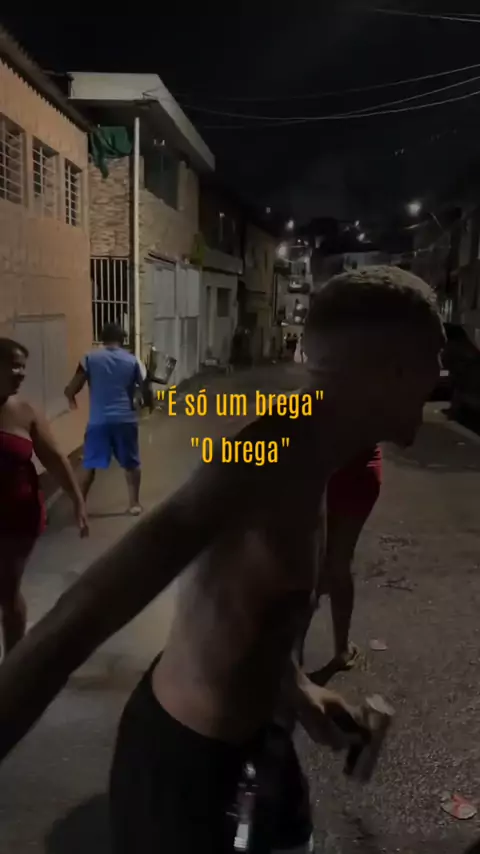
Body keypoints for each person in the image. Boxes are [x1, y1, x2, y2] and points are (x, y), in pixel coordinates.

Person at [0, 267, 444, 853]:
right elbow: (77, 618)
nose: (441, 376)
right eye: (434, 358)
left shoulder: (319, 453)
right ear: (392, 369)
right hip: (185, 772)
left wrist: (300, 691)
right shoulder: (261, 459)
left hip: (259, 747)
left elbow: (252, 605)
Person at [0, 338, 88, 655]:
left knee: (7, 589)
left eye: (23, 366)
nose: (21, 373)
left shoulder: (26, 412)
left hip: (18, 516)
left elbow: (55, 460)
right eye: (14, 365)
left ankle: (13, 662)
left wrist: (77, 500)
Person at [297, 445, 382, 671]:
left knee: (315, 561)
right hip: (361, 470)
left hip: (326, 469)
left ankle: (294, 654)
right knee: (340, 561)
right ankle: (341, 650)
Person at [64, 323, 145, 516]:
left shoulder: (89, 359)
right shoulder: (133, 360)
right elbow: (144, 390)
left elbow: (71, 388)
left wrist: (71, 399)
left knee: (89, 464)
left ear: (102, 339)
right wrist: (141, 402)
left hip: (99, 421)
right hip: (125, 419)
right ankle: (134, 504)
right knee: (131, 464)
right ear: (123, 340)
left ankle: (80, 507)